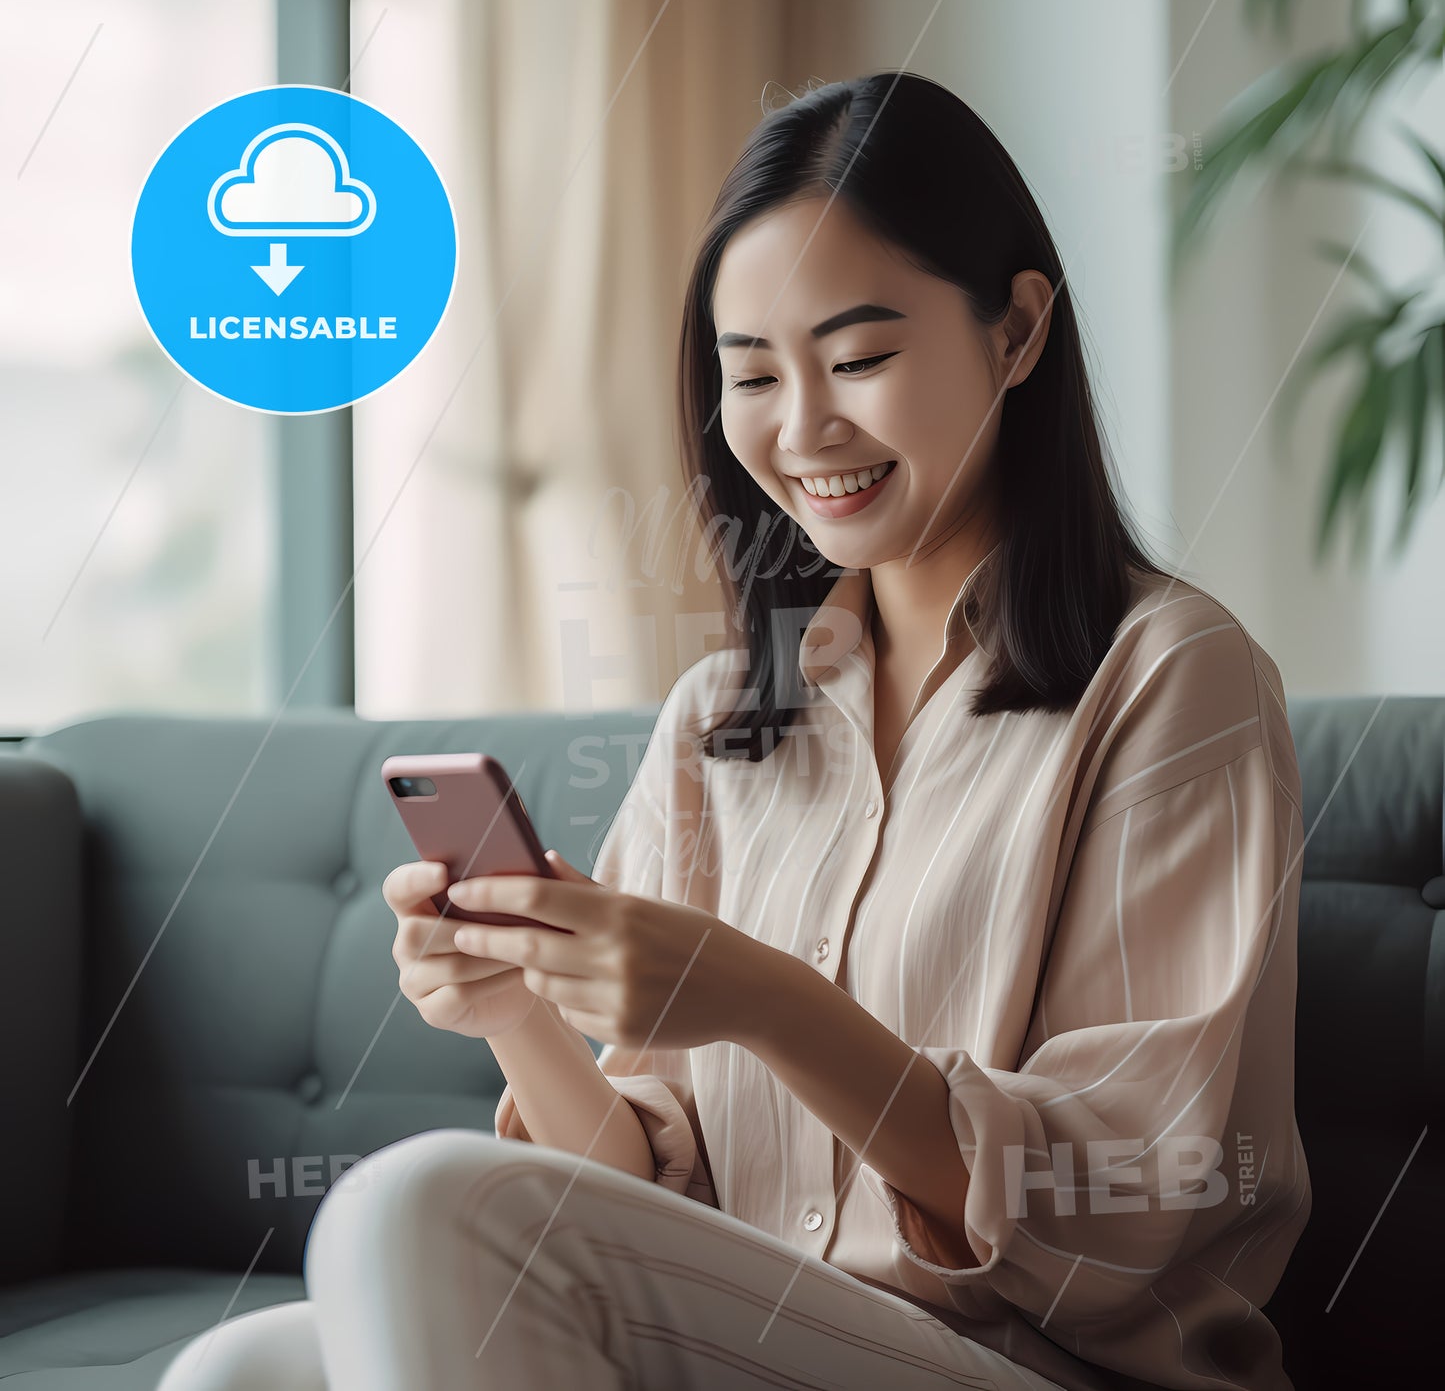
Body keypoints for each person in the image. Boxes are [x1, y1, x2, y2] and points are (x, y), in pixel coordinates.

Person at [158, 69, 1310, 1391]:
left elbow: (1131, 1195)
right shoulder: (723, 719)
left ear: (1016, 330)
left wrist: (765, 1000)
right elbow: (636, 1187)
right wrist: (520, 1008)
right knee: (243, 1368)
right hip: (750, 1346)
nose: (803, 426)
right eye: (751, 374)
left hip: (1039, 1366)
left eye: (860, 357)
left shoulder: (1172, 678)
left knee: (405, 1208)